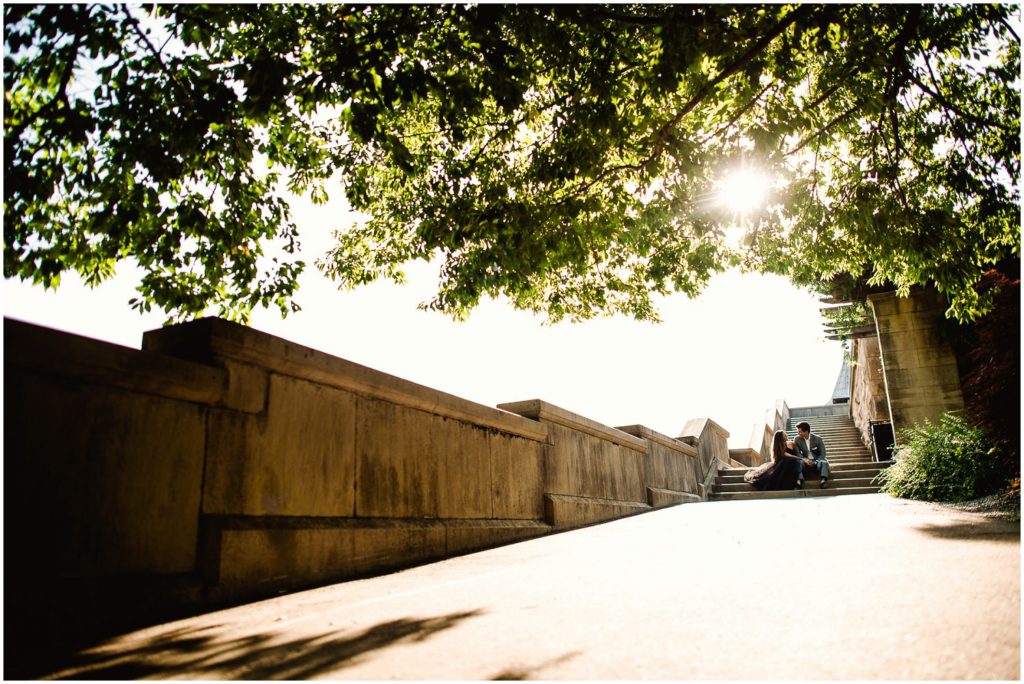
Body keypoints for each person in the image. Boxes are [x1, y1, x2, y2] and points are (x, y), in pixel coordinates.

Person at [794, 420, 831, 488]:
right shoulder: (797, 439)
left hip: (817, 461)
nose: (798, 433)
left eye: (800, 431)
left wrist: (816, 462)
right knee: (797, 462)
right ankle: (799, 482)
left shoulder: (818, 439)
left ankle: (823, 481)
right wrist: (804, 459)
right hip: (805, 461)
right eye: (798, 431)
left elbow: (823, 453)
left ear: (806, 431)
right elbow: (797, 452)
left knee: (824, 462)